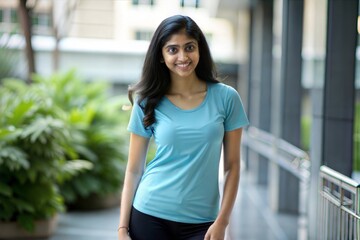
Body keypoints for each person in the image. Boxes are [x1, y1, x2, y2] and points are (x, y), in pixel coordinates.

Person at [118, 15, 249, 240]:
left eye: (189, 47)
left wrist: (222, 222)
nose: (183, 57)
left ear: (200, 49)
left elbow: (232, 167)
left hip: (203, 223)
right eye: (172, 50)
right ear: (161, 55)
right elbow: (133, 169)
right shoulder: (148, 101)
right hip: (150, 213)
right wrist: (122, 229)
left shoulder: (227, 98)